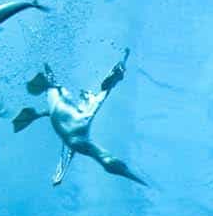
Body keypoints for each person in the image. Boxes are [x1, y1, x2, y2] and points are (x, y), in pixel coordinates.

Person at [12, 50, 146, 186]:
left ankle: (44, 93)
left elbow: (103, 93)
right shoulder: (78, 137)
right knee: (63, 91)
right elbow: (103, 94)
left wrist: (60, 173)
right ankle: (44, 93)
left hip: (66, 114)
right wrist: (60, 173)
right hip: (66, 115)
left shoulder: (78, 137)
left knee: (58, 88)